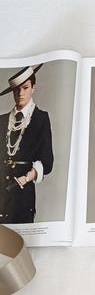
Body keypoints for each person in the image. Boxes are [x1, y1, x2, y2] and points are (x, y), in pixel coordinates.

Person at [0, 63, 53, 223]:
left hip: (23, 193)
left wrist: (25, 179)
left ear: (33, 88)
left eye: (25, 87)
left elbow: (47, 162)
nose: (20, 93)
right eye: (16, 89)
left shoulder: (40, 119)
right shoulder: (2, 120)